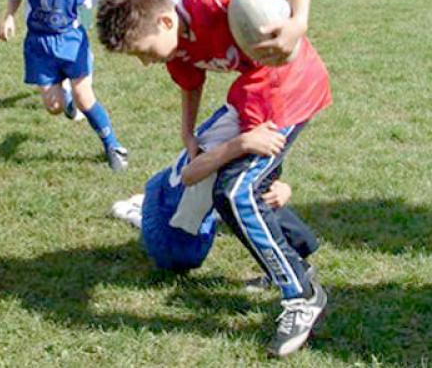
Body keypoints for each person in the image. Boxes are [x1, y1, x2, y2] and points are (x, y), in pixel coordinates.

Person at [96, 0, 332, 357]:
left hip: (292, 90)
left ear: (165, 22)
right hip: (256, 102)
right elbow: (191, 81)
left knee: (237, 192)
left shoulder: (216, 1)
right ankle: (295, 258)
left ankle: (302, 294)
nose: (145, 62)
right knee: (246, 194)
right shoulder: (175, 43)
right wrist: (187, 132)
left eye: (145, 51)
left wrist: (298, 23)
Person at [109, 104, 318, 293]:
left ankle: (143, 206)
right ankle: (137, 212)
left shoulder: (235, 118)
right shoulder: (235, 136)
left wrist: (282, 187)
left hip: (178, 197)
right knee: (184, 244)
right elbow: (190, 175)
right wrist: (241, 144)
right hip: (173, 237)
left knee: (242, 199)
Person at [0, 0, 127, 172]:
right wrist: (8, 17)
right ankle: (66, 100)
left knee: (85, 96)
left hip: (71, 39)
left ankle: (113, 145)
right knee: (54, 107)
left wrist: (122, 21)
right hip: (39, 44)